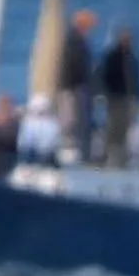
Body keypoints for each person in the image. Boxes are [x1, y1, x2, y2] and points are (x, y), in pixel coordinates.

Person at [98, 25, 139, 169]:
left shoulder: (132, 57)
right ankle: (106, 156)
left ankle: (121, 159)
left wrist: (138, 95)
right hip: (115, 98)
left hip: (128, 99)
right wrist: (107, 93)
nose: (127, 41)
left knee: (125, 130)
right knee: (112, 128)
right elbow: (105, 76)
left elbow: (136, 79)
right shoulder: (113, 56)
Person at [56, 8, 97, 162]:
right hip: (71, 87)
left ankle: (75, 148)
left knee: (77, 119)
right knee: (69, 119)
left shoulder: (78, 41)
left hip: (76, 87)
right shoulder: (73, 41)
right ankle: (67, 148)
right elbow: (73, 65)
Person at [16, 94, 60, 168]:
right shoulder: (28, 122)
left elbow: (52, 142)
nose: (39, 110)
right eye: (36, 107)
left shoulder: (52, 123)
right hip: (29, 156)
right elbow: (23, 142)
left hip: (47, 156)